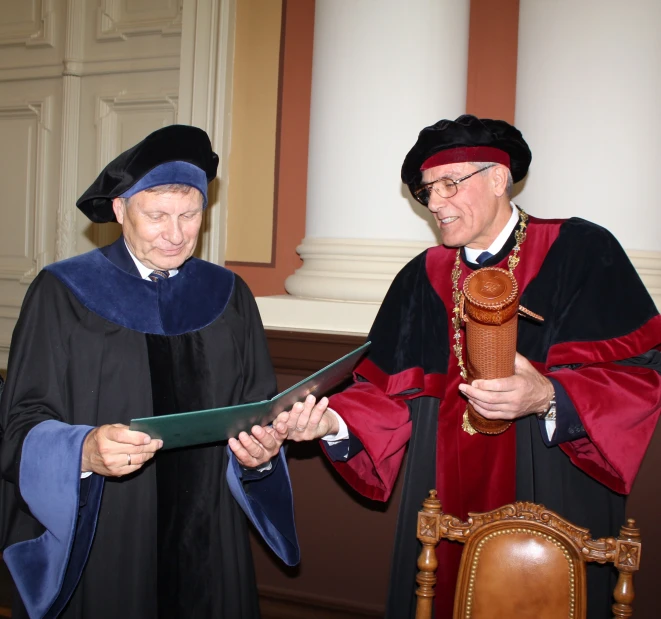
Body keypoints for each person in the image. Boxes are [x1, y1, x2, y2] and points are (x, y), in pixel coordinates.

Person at [277, 115, 661, 619]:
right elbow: (386, 394)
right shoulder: (423, 276)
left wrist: (548, 395)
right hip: (442, 487)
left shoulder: (581, 251)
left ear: (499, 178)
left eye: (449, 184)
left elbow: (635, 372)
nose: (435, 203)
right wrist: (332, 421)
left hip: (552, 477)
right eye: (427, 191)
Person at [0, 125, 299, 619]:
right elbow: (22, 420)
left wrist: (261, 449)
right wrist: (83, 450)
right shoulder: (64, 291)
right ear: (120, 210)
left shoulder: (228, 295)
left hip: (209, 529)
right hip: (107, 526)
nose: (176, 234)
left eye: (190, 214)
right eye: (157, 215)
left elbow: (256, 406)